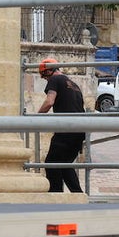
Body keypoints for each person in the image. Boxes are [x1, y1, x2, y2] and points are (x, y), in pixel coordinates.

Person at [36, 58, 85, 193]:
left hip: (66, 129)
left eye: (44, 75)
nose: (44, 79)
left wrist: (36, 117)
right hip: (79, 130)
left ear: (50, 71)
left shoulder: (55, 80)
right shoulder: (73, 84)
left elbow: (49, 102)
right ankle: (77, 195)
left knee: (52, 163)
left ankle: (55, 196)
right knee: (64, 164)